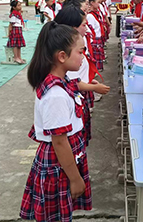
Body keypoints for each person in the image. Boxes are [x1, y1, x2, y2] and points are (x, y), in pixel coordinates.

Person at [20, 22, 92, 222]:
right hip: (58, 165)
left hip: (62, 162)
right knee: (56, 217)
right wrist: (75, 179)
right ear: (62, 56)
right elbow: (59, 141)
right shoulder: (56, 96)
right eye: (80, 51)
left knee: (61, 214)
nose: (83, 56)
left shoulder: (62, 82)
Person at [55, 6, 110, 145]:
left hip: (80, 93)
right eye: (84, 25)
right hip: (77, 95)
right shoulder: (69, 57)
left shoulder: (72, 51)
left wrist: (90, 82)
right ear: (73, 28)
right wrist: (93, 88)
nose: (87, 28)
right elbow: (72, 82)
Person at [86, 0, 105, 71]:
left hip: (98, 38)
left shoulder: (96, 13)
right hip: (95, 39)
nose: (99, 3)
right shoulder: (90, 16)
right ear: (92, 3)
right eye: (97, 2)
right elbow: (91, 29)